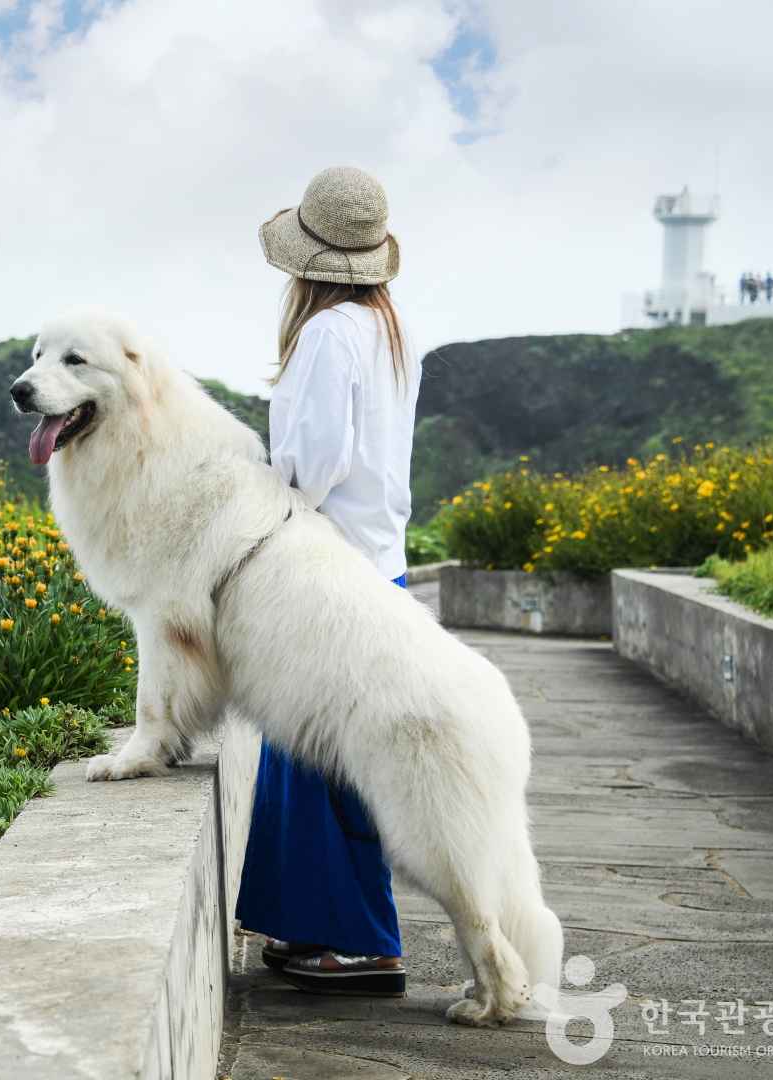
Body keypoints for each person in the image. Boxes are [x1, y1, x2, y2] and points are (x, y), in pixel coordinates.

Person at [237, 165, 420, 996]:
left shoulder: (324, 336)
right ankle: (323, 930)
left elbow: (310, 468)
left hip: (327, 580)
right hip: (382, 570)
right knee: (332, 762)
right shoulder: (388, 330)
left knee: (318, 764)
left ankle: (358, 943)